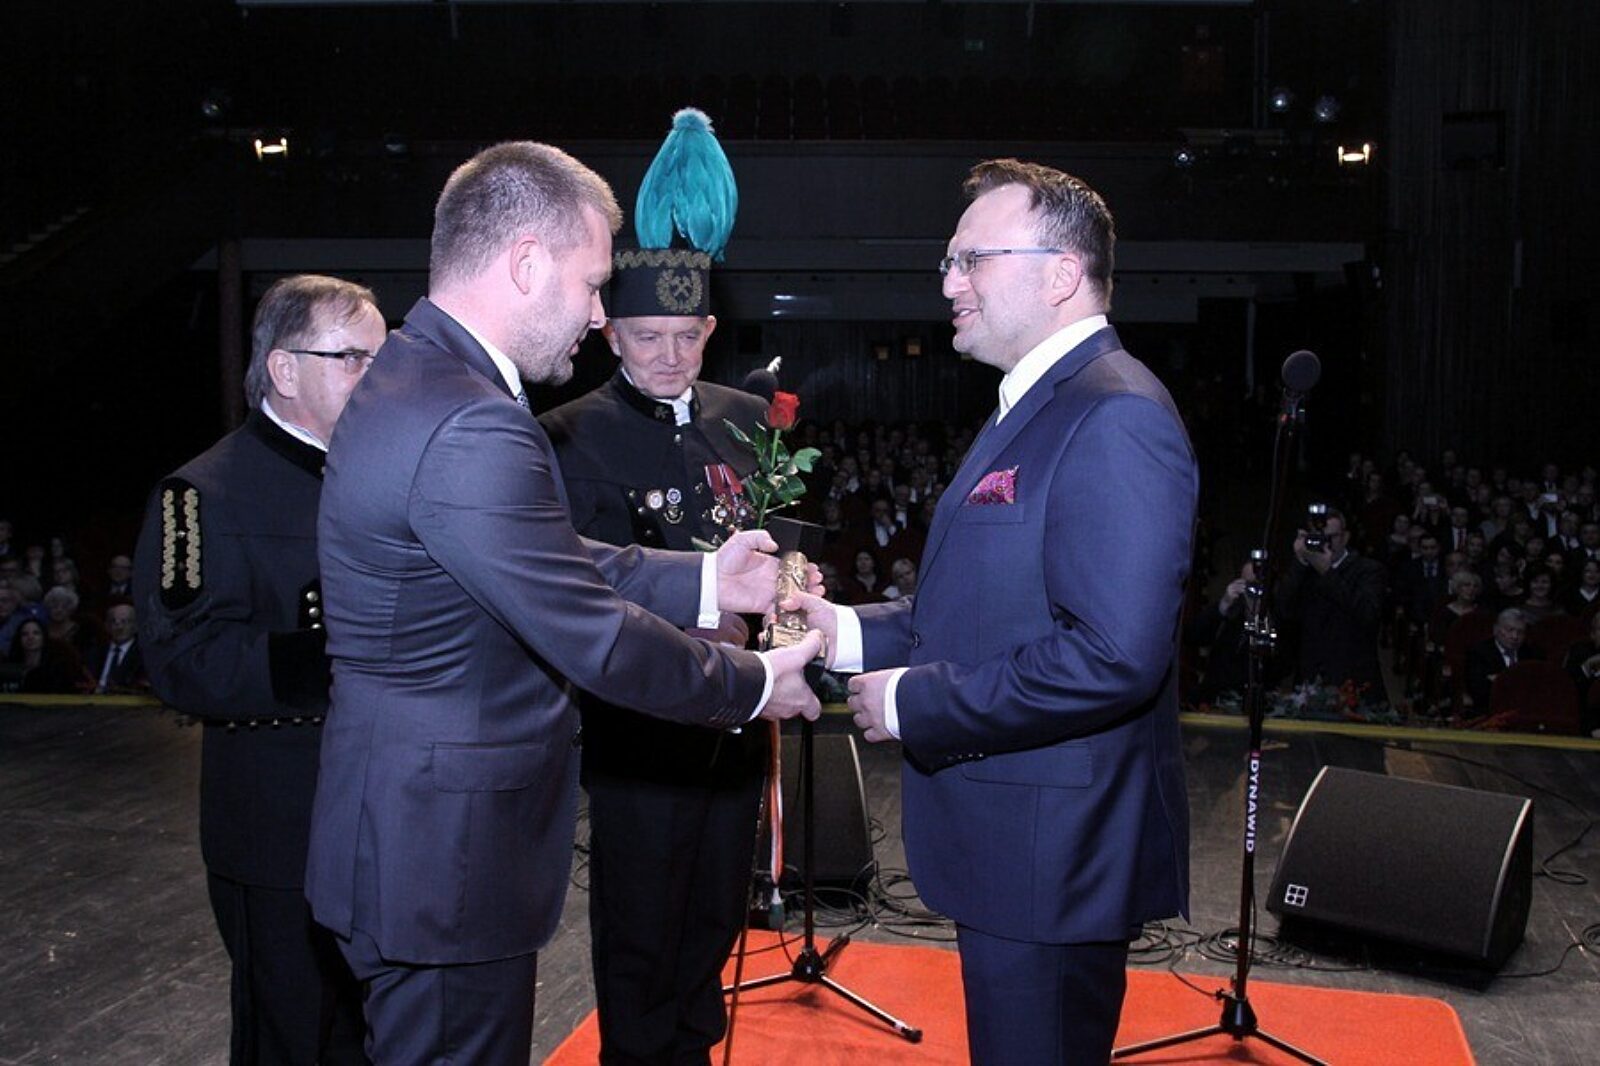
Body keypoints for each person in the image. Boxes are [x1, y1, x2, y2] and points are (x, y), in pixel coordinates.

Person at [303, 140, 823, 1066]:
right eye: (590, 286)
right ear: (525, 262)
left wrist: (709, 579)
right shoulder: (470, 418)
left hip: (411, 834)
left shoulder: (421, 377)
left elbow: (542, 559)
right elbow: (590, 632)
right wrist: (752, 683)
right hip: (443, 854)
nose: (595, 314)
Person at [792, 158, 1197, 1065]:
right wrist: (845, 631)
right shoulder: (1040, 405)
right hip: (1022, 854)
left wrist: (917, 702)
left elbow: (1112, 656)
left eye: (971, 259)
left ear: (1061, 274)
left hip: (1052, 861)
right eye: (950, 261)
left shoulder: (1115, 415)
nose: (948, 283)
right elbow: (985, 608)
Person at [537, 109, 775, 1065]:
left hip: (738, 722)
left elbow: (785, 544)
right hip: (639, 727)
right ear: (609, 331)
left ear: (710, 327)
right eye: (647, 336)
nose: (669, 356)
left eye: (686, 335)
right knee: (640, 929)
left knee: (717, 914)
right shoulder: (567, 435)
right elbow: (578, 590)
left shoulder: (749, 419)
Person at [132, 273, 384, 1066]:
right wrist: (341, 656)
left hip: (386, 822)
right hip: (280, 834)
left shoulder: (384, 475)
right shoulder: (202, 495)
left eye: (382, 358)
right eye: (354, 358)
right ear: (284, 370)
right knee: (291, 1041)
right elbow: (184, 662)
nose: (376, 377)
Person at [1276, 507, 1388, 699]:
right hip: (1311, 678)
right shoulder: (1305, 571)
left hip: (1354, 680)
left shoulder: (1369, 570)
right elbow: (1283, 609)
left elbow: (1367, 613)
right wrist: (1300, 562)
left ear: (1345, 537)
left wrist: (1327, 572)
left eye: (1332, 537)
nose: (1326, 543)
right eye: (1319, 537)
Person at [1463, 608, 1543, 713]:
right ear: (1496, 629)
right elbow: (1478, 690)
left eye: (1520, 632)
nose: (1515, 636)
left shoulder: (1533, 654)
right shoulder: (1478, 653)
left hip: (1525, 709)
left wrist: (1499, 680)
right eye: (1510, 630)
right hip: (1491, 709)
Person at [86, 599, 146, 694]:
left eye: (125, 622)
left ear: (136, 626)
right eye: (114, 622)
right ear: (107, 626)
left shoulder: (144, 655)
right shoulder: (95, 652)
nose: (119, 627)